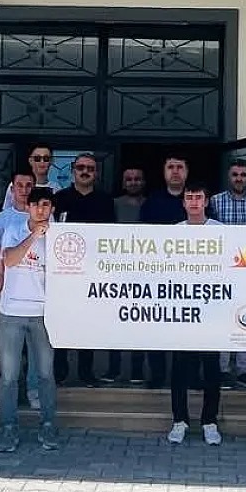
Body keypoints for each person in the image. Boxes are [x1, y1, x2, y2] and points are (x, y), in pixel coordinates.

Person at [0, 186, 60, 452]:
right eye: (36, 205)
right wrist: (34, 235)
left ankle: (48, 424)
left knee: (45, 373)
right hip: (12, 311)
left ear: (52, 208)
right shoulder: (13, 229)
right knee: (9, 375)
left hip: (44, 313)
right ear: (28, 207)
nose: (41, 210)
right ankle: (8, 427)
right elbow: (9, 260)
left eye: (46, 205)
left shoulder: (58, 235)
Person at [51, 153, 117, 387]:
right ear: (73, 170)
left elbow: (111, 235)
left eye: (90, 168)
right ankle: (59, 371)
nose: (85, 171)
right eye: (80, 167)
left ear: (96, 172)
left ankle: (86, 372)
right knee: (62, 322)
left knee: (88, 323)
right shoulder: (59, 198)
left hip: (93, 271)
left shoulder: (105, 201)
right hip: (64, 271)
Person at [167, 183, 225, 446]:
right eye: (189, 197)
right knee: (180, 368)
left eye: (198, 197)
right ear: (183, 202)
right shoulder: (174, 232)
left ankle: (209, 421)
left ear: (206, 201)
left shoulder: (220, 231)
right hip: (182, 310)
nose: (193, 202)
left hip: (212, 310)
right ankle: (179, 420)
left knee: (211, 369)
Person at [209, 159, 246, 391]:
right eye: (235, 174)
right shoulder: (215, 201)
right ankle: (222, 370)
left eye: (243, 174)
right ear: (229, 176)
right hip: (222, 270)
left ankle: (244, 369)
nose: (239, 179)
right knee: (223, 318)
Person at [136, 154, 190, 388]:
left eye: (180, 167)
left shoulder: (195, 199)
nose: (175, 171)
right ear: (164, 172)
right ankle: (157, 375)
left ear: (187, 172)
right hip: (157, 274)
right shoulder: (152, 202)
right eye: (171, 167)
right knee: (155, 326)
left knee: (188, 328)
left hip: (189, 275)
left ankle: (188, 376)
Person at [0, 172, 41, 409]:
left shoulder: (45, 216)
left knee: (35, 348)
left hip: (37, 291)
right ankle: (9, 393)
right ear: (12, 188)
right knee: (9, 349)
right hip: (9, 290)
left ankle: (33, 389)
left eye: (28, 185)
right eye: (19, 185)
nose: (24, 189)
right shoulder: (2, 218)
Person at [106, 164, 147, 383]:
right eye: (129, 179)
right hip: (118, 270)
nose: (133, 182)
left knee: (140, 322)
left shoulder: (150, 204)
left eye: (137, 178)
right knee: (115, 321)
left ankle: (137, 370)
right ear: (123, 183)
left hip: (145, 271)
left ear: (143, 182)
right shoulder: (113, 205)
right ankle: (113, 369)